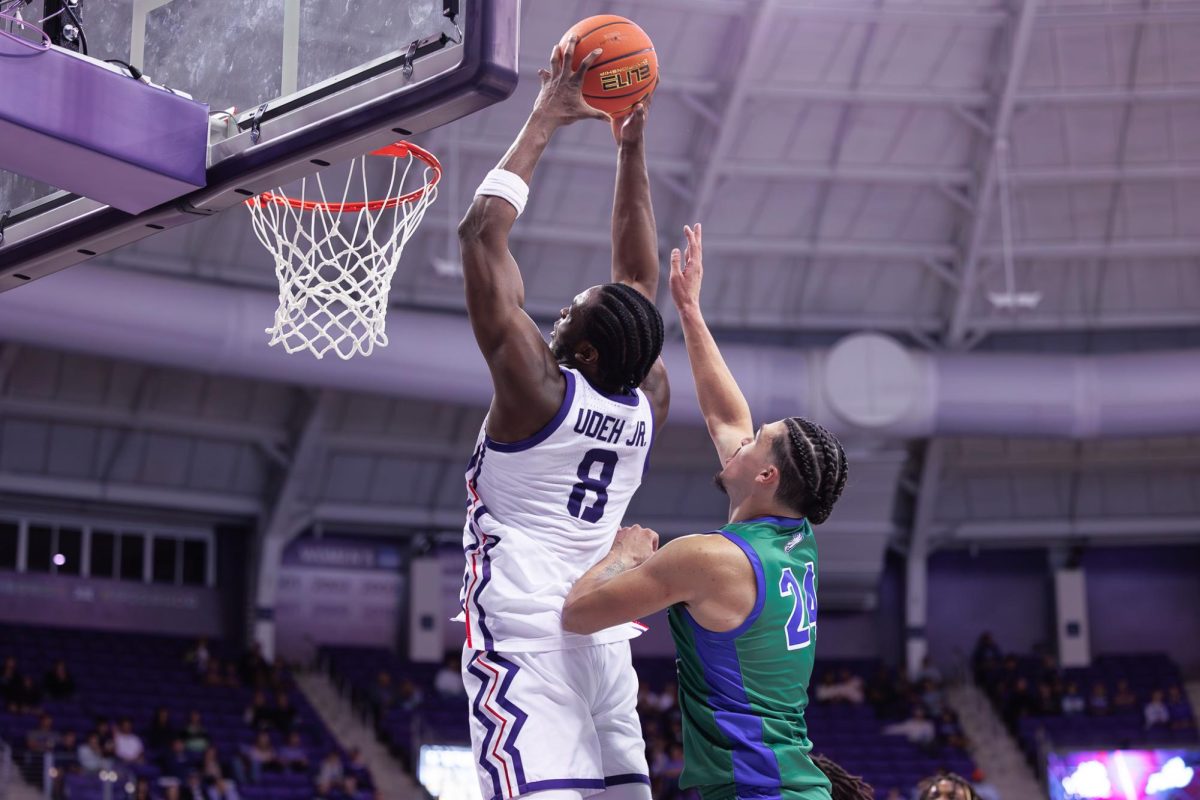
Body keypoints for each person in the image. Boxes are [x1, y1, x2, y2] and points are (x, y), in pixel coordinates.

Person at [562, 223, 848, 799]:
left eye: (755, 442)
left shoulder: (708, 560)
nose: (739, 440)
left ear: (766, 476)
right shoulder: (796, 534)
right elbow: (726, 418)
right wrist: (689, 310)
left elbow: (581, 613)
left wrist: (625, 553)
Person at [455, 33, 669, 800]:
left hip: (525, 638)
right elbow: (638, 281)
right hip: (603, 645)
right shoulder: (649, 400)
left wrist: (546, 114)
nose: (551, 318)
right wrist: (630, 150)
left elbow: (482, 237)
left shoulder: (536, 391)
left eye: (564, 318)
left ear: (580, 355)